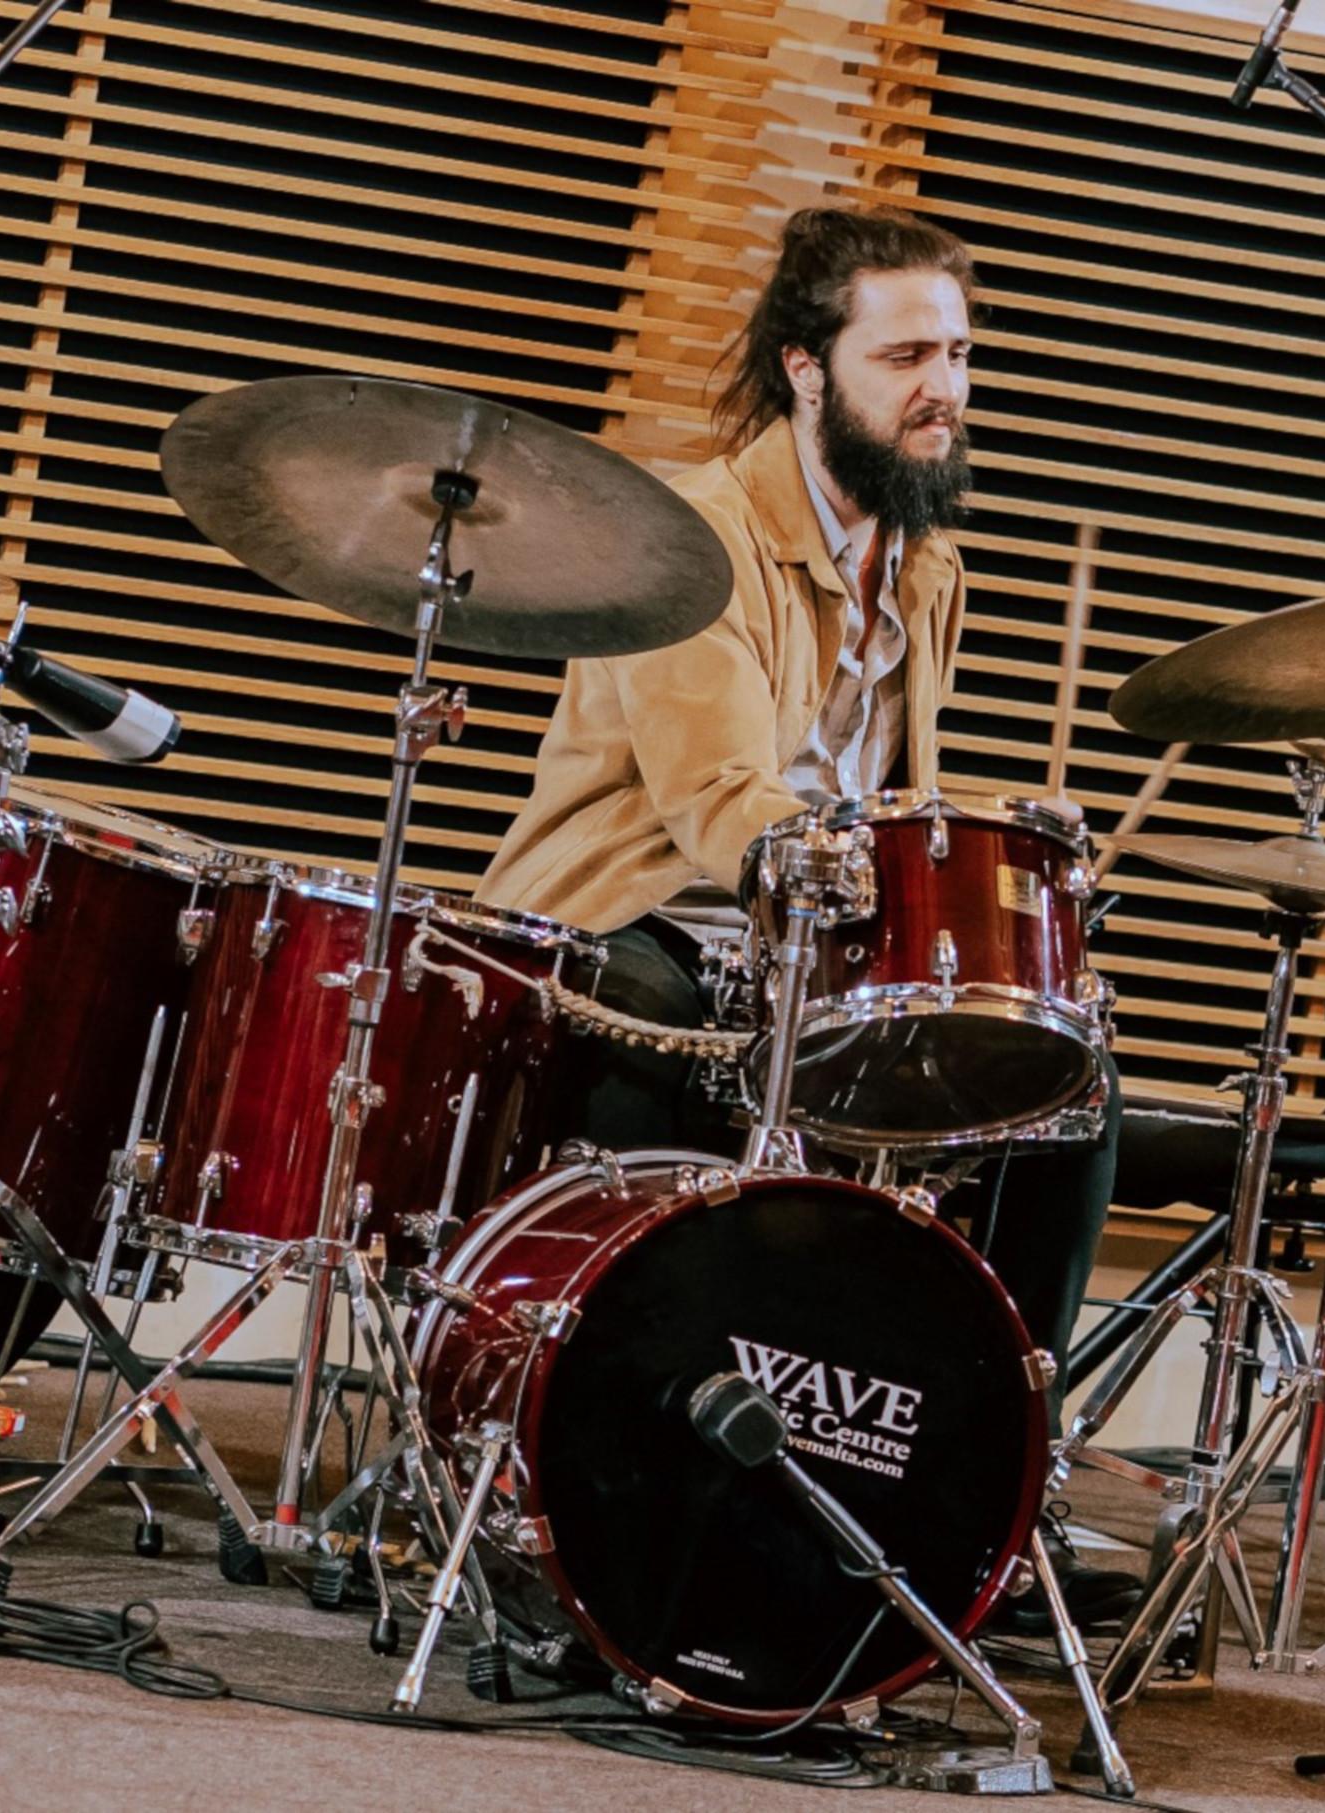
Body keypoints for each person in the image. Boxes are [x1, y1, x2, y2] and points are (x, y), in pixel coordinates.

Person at [476, 205, 1133, 1629]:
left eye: (957, 352)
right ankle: (610, 1476)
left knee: (1063, 1092)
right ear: (806, 370)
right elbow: (719, 801)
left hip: (812, 954)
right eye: (904, 354)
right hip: (640, 925)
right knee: (660, 1016)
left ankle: (987, 1489)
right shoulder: (691, 535)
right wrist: (867, 874)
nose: (942, 387)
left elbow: (902, 787)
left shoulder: (927, 561)